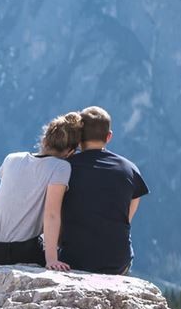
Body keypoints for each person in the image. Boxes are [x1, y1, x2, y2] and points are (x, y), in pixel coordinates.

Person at [0, 112, 83, 270]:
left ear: (45, 140)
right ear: (70, 152)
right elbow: (51, 214)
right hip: (21, 253)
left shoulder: (12, 158)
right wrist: (51, 259)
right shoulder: (61, 167)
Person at [60, 106, 149, 275]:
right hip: (117, 263)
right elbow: (127, 216)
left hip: (74, 260)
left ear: (78, 137)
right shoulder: (129, 169)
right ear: (109, 137)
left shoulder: (64, 168)